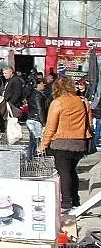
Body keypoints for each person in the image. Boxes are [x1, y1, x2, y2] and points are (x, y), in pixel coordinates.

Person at [40, 77, 92, 213]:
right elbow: (90, 123)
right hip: (80, 143)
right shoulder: (82, 101)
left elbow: (51, 127)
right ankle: (75, 199)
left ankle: (67, 202)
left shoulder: (58, 103)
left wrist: (44, 144)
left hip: (61, 143)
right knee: (71, 171)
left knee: (63, 172)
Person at [25, 78, 50, 159]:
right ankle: (33, 158)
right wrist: (44, 123)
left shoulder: (32, 93)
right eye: (44, 84)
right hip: (36, 119)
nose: (45, 86)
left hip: (31, 118)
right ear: (39, 84)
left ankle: (30, 157)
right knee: (37, 141)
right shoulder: (38, 95)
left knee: (33, 141)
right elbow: (40, 109)